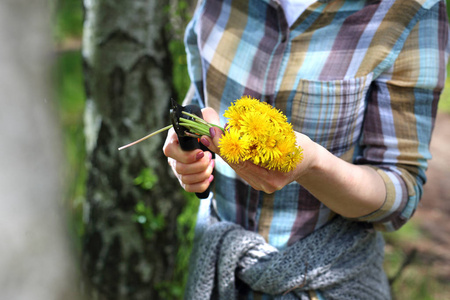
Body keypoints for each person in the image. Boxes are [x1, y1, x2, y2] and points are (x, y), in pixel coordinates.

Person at [163, 0, 449, 299]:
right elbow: (199, 99)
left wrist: (313, 165)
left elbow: (400, 192)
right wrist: (189, 151)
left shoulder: (413, 9)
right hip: (216, 274)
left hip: (328, 285)